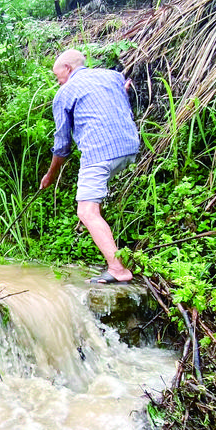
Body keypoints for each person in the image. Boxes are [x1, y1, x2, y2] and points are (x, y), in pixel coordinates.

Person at [40, 49, 139, 284]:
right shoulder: (113, 76)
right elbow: (121, 97)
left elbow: (62, 145)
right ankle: (113, 256)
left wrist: (50, 175)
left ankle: (118, 269)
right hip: (129, 146)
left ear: (68, 68)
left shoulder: (64, 93)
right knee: (93, 205)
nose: (58, 82)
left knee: (86, 211)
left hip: (100, 152)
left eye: (58, 77)